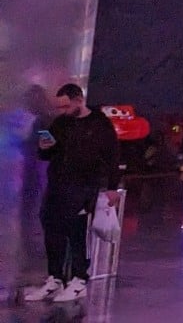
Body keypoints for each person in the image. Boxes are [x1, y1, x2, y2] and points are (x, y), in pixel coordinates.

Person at [22, 84, 118, 305]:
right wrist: (45, 147)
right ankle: (55, 277)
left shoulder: (99, 124)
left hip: (84, 185)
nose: (63, 111)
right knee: (51, 227)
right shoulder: (61, 123)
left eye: (66, 106)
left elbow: (113, 155)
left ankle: (79, 278)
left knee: (76, 231)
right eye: (60, 107)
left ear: (78, 100)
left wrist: (112, 186)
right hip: (57, 184)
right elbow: (47, 154)